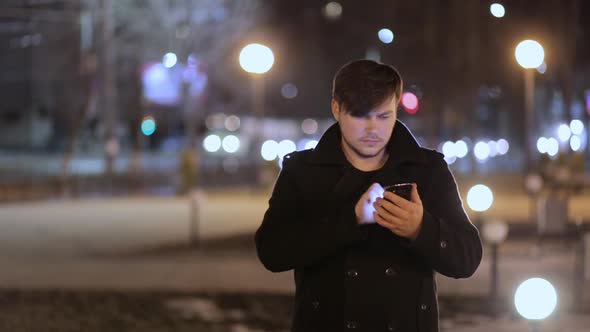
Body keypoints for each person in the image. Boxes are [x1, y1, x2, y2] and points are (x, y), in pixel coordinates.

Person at [255, 59, 482, 332]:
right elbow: (272, 252)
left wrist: (421, 228)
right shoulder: (303, 171)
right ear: (336, 109)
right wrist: (350, 220)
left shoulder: (427, 169)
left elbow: (467, 259)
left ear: (397, 109)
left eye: (384, 116)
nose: (373, 129)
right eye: (361, 115)